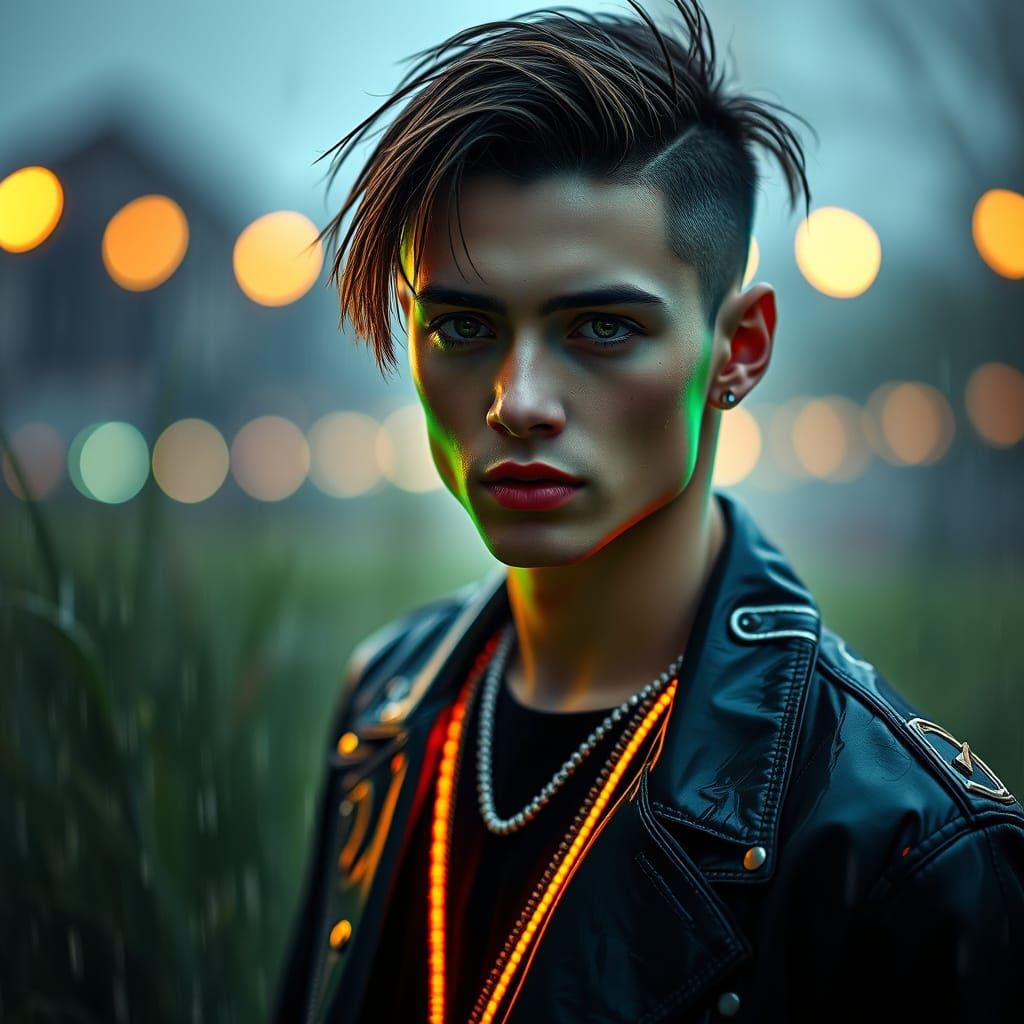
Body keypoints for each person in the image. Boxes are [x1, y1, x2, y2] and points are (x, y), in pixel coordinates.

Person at [273, 2, 1024, 1021]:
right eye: (462, 324)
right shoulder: (388, 703)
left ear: (739, 348)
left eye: (598, 326)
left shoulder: (903, 844)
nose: (518, 401)